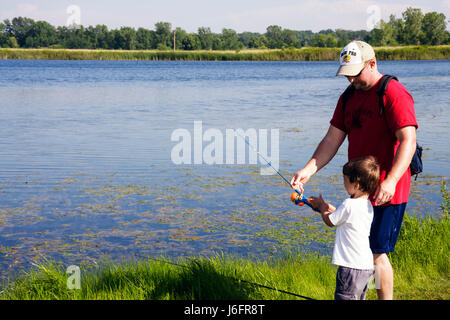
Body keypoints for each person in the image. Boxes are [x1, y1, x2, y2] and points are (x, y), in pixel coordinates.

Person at [290, 40, 417, 300]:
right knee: (362, 252)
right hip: (360, 189)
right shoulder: (348, 97)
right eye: (347, 75)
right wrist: (308, 170)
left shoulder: (393, 93)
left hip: (387, 188)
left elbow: (408, 141)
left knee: (376, 252)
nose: (351, 81)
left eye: (356, 74)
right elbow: (331, 140)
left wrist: (391, 181)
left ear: (372, 64)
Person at [310, 156, 380, 300]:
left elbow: (331, 221)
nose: (343, 183)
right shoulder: (367, 206)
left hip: (350, 267)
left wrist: (322, 208)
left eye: (345, 180)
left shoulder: (349, 204)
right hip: (366, 266)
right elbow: (345, 217)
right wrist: (326, 206)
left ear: (357, 184)